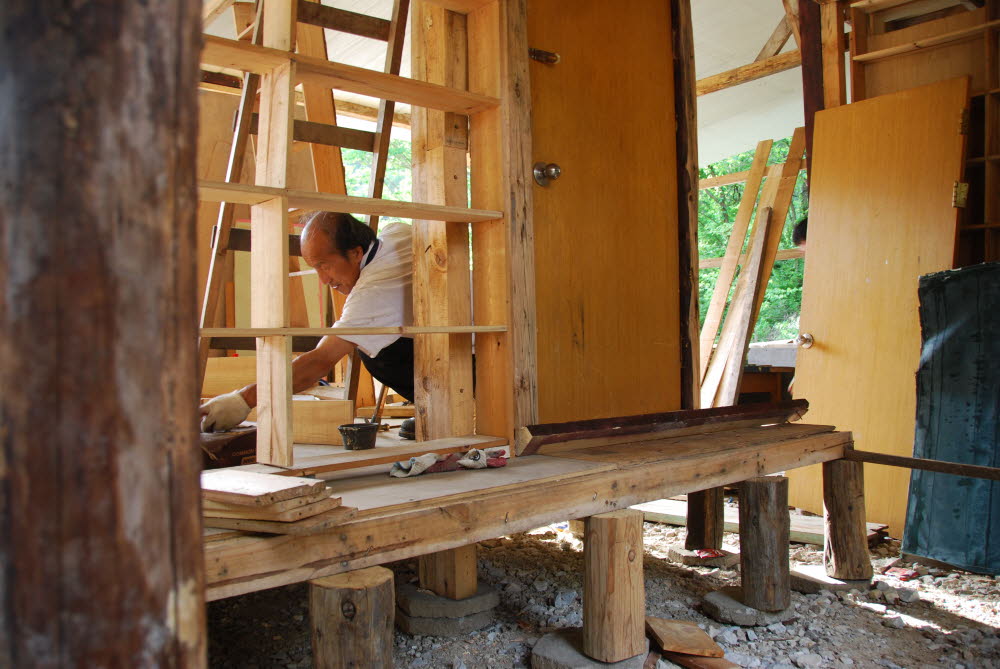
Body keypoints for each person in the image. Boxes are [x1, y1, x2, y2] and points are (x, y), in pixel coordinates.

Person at [199, 211, 417, 438]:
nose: (323, 280)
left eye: (325, 265)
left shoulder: (373, 292)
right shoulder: (396, 233)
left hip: (450, 356)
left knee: (375, 353)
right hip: (449, 337)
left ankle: (446, 407)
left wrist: (243, 399)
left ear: (356, 252)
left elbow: (320, 361)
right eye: (315, 267)